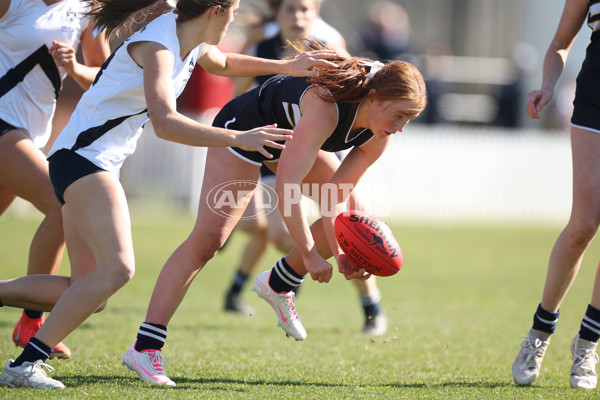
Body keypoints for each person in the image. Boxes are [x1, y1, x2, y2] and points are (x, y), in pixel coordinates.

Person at [0, 0, 338, 389]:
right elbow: (165, 122)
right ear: (214, 11)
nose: (233, 23)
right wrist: (239, 137)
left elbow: (223, 65)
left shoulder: (188, 38)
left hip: (82, 159)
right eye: (231, 14)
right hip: (84, 160)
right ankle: (26, 363)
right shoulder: (159, 46)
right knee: (118, 269)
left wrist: (285, 67)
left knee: (90, 289)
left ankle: (24, 349)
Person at [123, 40, 426, 386]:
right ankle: (145, 347)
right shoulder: (327, 108)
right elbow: (287, 186)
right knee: (208, 241)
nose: (401, 127)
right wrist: (311, 254)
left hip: (292, 137)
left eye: (409, 119)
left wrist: (341, 251)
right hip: (246, 127)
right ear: (373, 97)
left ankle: (278, 282)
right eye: (399, 115)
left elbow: (333, 196)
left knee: (353, 217)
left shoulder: (380, 133)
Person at [223, 0, 388, 336]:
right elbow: (239, 87)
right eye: (290, 10)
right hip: (270, 135)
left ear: (317, 12)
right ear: (278, 14)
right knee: (279, 234)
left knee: (353, 224)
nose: (297, 17)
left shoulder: (329, 43)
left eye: (305, 10)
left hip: (316, 141)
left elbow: (352, 97)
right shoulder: (261, 40)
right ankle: (277, 281)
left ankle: (371, 307)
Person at [0, 0, 111, 359]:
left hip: (34, 134)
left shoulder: (87, 9)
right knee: (61, 203)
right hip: (3, 123)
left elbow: (106, 76)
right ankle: (32, 321)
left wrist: (75, 66)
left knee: (61, 208)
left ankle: (30, 322)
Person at [511, 0, 600, 390]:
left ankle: (588, 344)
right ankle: (539, 333)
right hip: (597, 94)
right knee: (583, 224)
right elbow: (560, 44)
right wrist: (547, 86)